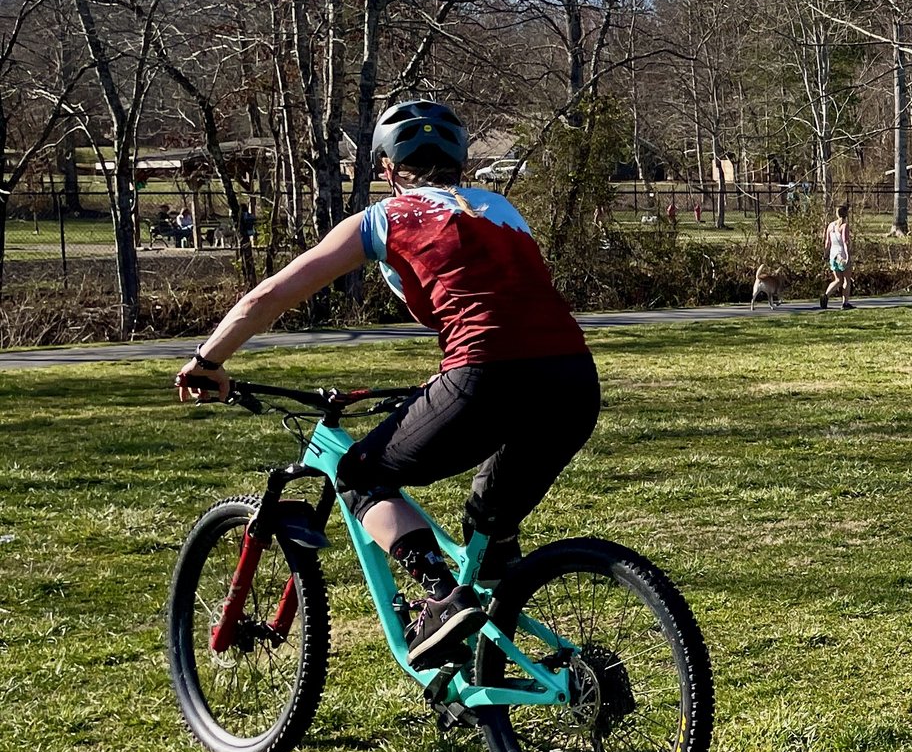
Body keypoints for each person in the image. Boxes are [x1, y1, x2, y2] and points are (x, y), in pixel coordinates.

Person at [174, 99, 599, 668]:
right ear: (461, 162)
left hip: (483, 374)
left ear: (385, 169)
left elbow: (267, 297)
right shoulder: (502, 209)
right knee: (489, 523)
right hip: (572, 379)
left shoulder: (384, 218)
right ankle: (497, 671)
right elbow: (509, 309)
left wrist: (207, 358)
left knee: (359, 475)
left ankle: (440, 598)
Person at [820, 204, 853, 310]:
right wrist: (848, 257)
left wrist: (826, 254)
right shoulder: (844, 226)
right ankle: (845, 303)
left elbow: (827, 242)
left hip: (833, 255)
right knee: (847, 280)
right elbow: (845, 242)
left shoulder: (831, 225)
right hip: (842, 255)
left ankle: (825, 295)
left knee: (838, 280)